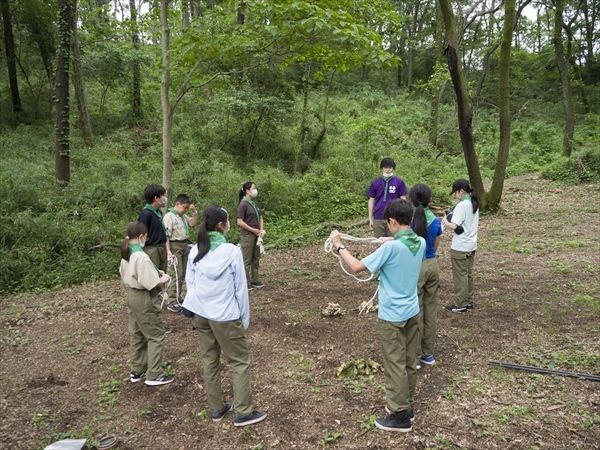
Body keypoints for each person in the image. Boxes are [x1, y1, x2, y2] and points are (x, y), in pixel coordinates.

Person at [329, 199, 425, 433]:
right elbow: (404, 243)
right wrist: (389, 239)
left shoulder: (391, 248)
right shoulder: (419, 242)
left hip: (393, 315)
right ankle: (407, 407)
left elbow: (357, 267)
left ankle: (399, 415)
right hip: (413, 311)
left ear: (392, 221)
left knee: (395, 365)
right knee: (408, 362)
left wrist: (339, 246)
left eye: (388, 224)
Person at [183, 205, 267, 427]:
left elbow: (189, 283)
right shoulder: (231, 251)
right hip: (225, 316)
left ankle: (217, 408)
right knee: (238, 362)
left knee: (210, 360)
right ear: (221, 225)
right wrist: (244, 319)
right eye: (228, 220)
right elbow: (241, 288)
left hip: (200, 314)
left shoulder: (195, 250)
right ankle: (243, 412)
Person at [119, 221, 174, 386]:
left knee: (137, 335)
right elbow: (151, 282)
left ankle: (137, 370)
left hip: (132, 295)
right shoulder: (141, 256)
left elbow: (132, 274)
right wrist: (164, 278)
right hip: (143, 298)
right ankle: (154, 374)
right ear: (142, 236)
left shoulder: (127, 253)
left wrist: (156, 273)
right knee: (156, 335)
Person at [409, 184, 442, 368]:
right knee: (431, 310)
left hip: (415, 267)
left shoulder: (408, 221)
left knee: (416, 310)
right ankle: (428, 355)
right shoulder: (436, 221)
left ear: (410, 200)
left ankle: (414, 357)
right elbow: (435, 247)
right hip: (432, 265)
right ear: (430, 200)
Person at [138, 184, 173, 333]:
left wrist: (167, 250)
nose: (165, 198)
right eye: (163, 196)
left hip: (160, 250)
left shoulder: (158, 212)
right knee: (154, 284)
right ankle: (154, 322)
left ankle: (158, 320)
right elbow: (140, 236)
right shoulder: (146, 214)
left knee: (161, 283)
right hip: (152, 250)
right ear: (156, 198)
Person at [442, 179, 479, 313]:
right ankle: (468, 301)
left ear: (461, 191)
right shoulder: (473, 202)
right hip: (471, 244)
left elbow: (454, 225)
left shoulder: (461, 205)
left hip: (460, 246)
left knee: (460, 276)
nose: (455, 195)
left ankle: (460, 304)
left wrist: (445, 221)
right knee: (468, 274)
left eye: (456, 193)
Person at [164, 194, 198, 312]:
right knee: (176, 273)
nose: (185, 210)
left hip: (185, 245)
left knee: (183, 273)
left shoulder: (182, 216)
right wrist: (168, 250)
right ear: (177, 204)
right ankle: (172, 300)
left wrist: (194, 212)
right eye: (184, 207)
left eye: (187, 208)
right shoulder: (170, 216)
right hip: (175, 245)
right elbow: (166, 235)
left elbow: (193, 224)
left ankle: (177, 296)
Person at [368, 157, 408, 238]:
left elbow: (403, 199)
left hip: (394, 216)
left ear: (393, 168)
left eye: (390, 167)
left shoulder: (399, 182)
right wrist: (370, 218)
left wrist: (405, 215)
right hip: (378, 216)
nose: (387, 169)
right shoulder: (375, 183)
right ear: (382, 168)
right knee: (379, 242)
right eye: (385, 167)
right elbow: (371, 200)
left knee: (394, 241)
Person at [237, 181, 266, 291]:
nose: (255, 190)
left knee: (256, 257)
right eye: (253, 188)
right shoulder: (243, 204)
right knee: (247, 259)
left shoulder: (255, 204)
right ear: (247, 191)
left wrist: (261, 230)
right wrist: (253, 230)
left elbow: (261, 217)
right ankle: (246, 281)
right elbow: (240, 222)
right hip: (247, 235)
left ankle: (255, 280)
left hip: (257, 235)